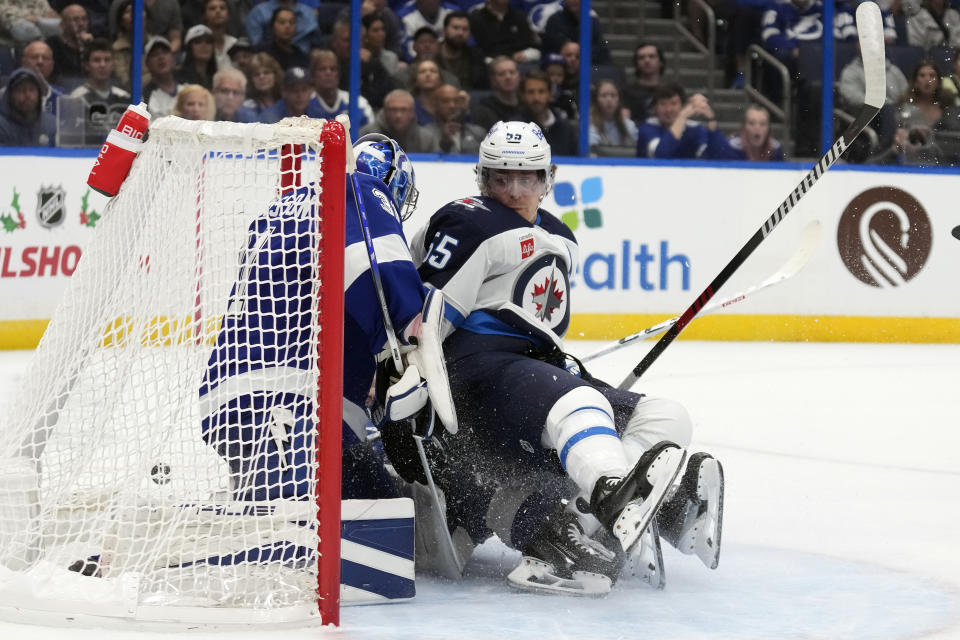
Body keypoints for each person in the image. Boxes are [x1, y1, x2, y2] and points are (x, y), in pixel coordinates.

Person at [406, 120, 724, 594]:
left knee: (664, 416)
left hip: (536, 368)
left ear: (547, 178)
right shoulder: (467, 222)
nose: (514, 190)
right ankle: (615, 494)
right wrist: (418, 390)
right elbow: (425, 324)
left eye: (528, 178)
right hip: (477, 371)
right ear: (482, 178)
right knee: (580, 404)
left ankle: (595, 521)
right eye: (501, 178)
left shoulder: (560, 234)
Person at [198, 132, 432, 505]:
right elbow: (385, 274)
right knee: (311, 531)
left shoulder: (284, 207)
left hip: (229, 390)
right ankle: (266, 506)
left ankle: (253, 491)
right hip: (286, 401)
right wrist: (410, 343)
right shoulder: (360, 191)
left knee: (379, 496)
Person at [636, 83, 725, 159]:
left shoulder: (695, 129)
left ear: (682, 106)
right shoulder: (647, 128)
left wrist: (710, 118)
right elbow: (662, 155)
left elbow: (716, 156)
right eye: (663, 104)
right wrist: (682, 116)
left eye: (673, 103)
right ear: (655, 108)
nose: (668, 110)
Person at [68, 37, 130, 145]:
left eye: (107, 60)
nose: (102, 65)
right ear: (87, 65)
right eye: (96, 60)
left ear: (113, 64)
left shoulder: (124, 97)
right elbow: (71, 139)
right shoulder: (76, 98)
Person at [306, 50, 374, 128]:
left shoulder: (359, 104)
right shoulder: (304, 103)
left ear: (339, 74)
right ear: (313, 74)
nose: (328, 73)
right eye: (322, 69)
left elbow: (370, 135)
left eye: (333, 69)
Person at [359, 88, 441, 152]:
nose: (398, 115)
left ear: (412, 112)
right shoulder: (367, 135)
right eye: (393, 109)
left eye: (403, 110)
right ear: (385, 111)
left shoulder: (426, 138)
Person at [519, 69, 577, 155]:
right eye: (530, 92)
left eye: (541, 92)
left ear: (550, 94)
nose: (536, 98)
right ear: (523, 96)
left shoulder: (566, 127)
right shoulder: (516, 127)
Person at [468, 0, 540, 63]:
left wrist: (526, 54)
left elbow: (533, 45)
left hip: (520, 63)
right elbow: (474, 50)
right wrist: (493, 61)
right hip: (489, 64)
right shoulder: (476, 19)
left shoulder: (520, 17)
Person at [541, 0, 611, 65]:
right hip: (560, 69)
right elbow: (549, 48)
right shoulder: (554, 20)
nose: (573, 0)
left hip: (589, 68)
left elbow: (600, 49)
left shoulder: (592, 22)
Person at [706, 103, 785, 161]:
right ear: (744, 127)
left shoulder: (775, 149)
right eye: (751, 123)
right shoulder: (732, 147)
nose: (757, 128)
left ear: (769, 128)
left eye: (762, 124)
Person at [0, 67, 56, 145]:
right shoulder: (2, 126)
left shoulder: (51, 124)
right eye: (20, 90)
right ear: (10, 95)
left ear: (39, 94)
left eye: (32, 90)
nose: (27, 95)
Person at [425, 82, 485, 153]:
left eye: (456, 101)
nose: (452, 106)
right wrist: (445, 141)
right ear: (435, 104)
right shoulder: (426, 134)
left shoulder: (478, 133)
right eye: (445, 101)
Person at [47, 4, 94, 91]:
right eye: (75, 20)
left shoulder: (92, 44)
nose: (81, 24)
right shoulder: (53, 45)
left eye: (84, 19)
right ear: (63, 24)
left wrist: (90, 46)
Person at [470, 56, 523, 131]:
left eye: (512, 72)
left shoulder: (528, 105)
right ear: (493, 80)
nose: (508, 77)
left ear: (519, 76)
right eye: (501, 74)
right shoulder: (483, 111)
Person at [436, 11, 487, 90]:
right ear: (444, 31)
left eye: (465, 29)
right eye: (455, 28)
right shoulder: (432, 55)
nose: (460, 33)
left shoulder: (477, 56)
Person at [244, 0, 318, 51]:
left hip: (303, 63)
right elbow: (256, 46)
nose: (287, 26)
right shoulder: (258, 13)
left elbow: (317, 45)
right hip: (269, 61)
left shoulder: (309, 14)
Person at [589, 78, 638, 153]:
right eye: (603, 95)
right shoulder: (589, 125)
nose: (609, 99)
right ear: (596, 100)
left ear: (619, 100)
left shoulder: (629, 126)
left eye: (613, 95)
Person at [142, 35, 186, 118]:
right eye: (154, 54)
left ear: (174, 59)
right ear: (147, 64)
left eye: (165, 52)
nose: (161, 57)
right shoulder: (144, 97)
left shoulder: (188, 88)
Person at [621, 42, 664, 124]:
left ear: (661, 62)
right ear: (636, 63)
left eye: (652, 56)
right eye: (641, 57)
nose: (647, 60)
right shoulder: (626, 92)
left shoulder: (669, 91)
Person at [18, 40, 64, 115]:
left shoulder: (62, 96)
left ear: (52, 66)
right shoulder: (7, 94)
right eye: (34, 57)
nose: (40, 62)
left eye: (45, 58)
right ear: (24, 63)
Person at [242, 52, 283, 118]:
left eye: (266, 72)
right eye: (256, 74)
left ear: (275, 75)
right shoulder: (246, 106)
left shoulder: (287, 101)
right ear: (251, 80)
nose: (262, 77)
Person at [177, 24, 218, 89]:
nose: (204, 46)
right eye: (198, 42)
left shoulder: (218, 79)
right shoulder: (178, 78)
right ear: (189, 48)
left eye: (208, 42)